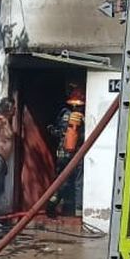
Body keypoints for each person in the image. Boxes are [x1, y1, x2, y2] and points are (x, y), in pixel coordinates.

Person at [48, 86, 87, 218]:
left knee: (61, 180)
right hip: (77, 155)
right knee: (77, 181)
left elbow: (54, 131)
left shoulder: (63, 114)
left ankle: (51, 203)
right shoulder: (82, 118)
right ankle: (78, 212)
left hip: (62, 154)